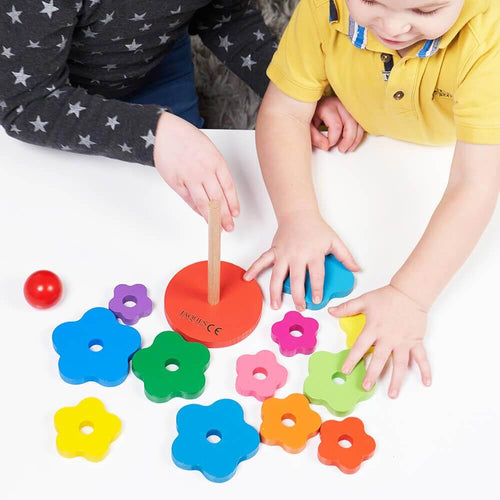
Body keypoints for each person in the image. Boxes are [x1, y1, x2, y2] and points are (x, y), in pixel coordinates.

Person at [244, 0, 500, 397]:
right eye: (370, 2)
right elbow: (284, 113)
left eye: (426, 12)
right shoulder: (323, 7)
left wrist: (410, 297)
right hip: (364, 152)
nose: (395, 27)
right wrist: (297, 216)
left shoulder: (489, 36)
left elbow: (475, 182)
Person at [0, 0, 280, 232]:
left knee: (181, 206)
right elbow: (27, 103)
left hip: (155, 63)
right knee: (61, 216)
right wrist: (153, 134)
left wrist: (286, 89)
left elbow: (224, 15)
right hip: (46, 87)